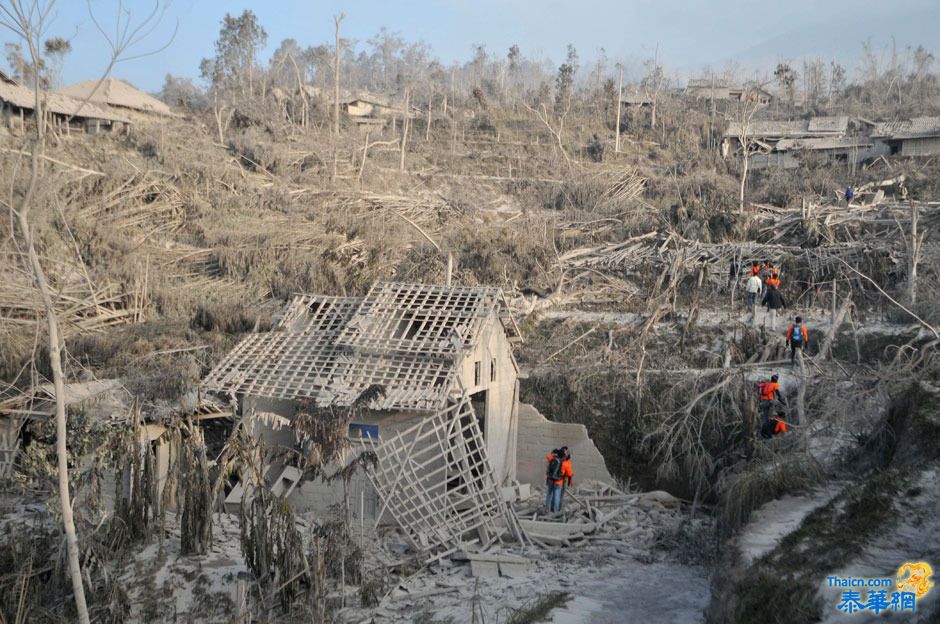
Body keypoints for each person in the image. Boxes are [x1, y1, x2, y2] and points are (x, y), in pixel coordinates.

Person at [545, 449, 563, 513]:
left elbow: (548, 470)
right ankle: (555, 512)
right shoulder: (560, 461)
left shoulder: (551, 459)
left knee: (549, 495)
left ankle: (547, 509)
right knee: (557, 497)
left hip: (550, 480)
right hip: (557, 481)